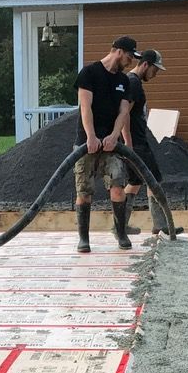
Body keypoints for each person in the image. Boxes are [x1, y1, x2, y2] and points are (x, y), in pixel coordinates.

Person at [73, 36, 139, 254]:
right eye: (129, 57)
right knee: (84, 192)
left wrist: (113, 136)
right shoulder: (89, 73)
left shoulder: (124, 81)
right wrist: (91, 137)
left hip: (112, 145)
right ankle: (84, 238)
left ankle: (120, 233)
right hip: (87, 143)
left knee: (118, 187)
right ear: (119, 51)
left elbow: (123, 112)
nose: (130, 62)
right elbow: (86, 107)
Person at [121, 49, 168, 234]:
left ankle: (120, 226)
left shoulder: (132, 82)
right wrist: (128, 143)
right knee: (154, 179)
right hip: (135, 143)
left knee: (134, 182)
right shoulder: (133, 83)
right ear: (146, 64)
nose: (155, 75)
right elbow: (124, 113)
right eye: (155, 70)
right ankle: (160, 225)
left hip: (137, 140)